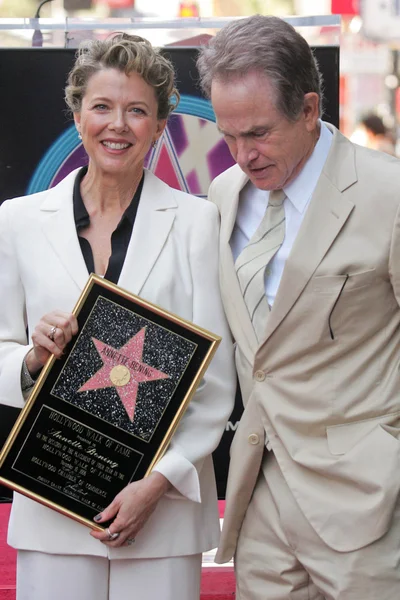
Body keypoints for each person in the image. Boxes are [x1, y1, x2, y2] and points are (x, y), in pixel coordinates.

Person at [0, 33, 235, 600]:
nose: (118, 125)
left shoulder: (198, 222)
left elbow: (218, 380)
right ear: (77, 113)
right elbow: (2, 350)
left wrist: (156, 484)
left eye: (137, 111)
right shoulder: (19, 220)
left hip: (163, 512)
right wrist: (33, 358)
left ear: (159, 126)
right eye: (102, 107)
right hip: (54, 497)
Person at [197, 14, 400, 600]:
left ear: (309, 110)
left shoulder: (387, 195)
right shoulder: (224, 195)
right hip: (257, 498)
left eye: (258, 133)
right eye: (228, 135)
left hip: (366, 503)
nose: (241, 155)